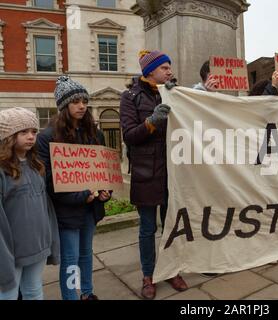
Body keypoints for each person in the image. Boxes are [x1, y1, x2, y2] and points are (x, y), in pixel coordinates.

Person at [120, 50, 188, 300]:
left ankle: (171, 270)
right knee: (148, 229)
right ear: (150, 71)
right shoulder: (130, 97)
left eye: (170, 67)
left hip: (172, 173)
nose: (170, 71)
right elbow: (129, 135)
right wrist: (152, 121)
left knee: (171, 226)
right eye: (165, 67)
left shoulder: (172, 92)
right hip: (146, 173)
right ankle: (148, 275)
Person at [37, 76, 111, 300]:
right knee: (70, 258)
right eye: (75, 101)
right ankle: (71, 296)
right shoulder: (47, 137)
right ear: (63, 105)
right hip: (67, 210)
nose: (82, 106)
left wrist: (106, 192)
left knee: (86, 254)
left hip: (91, 208)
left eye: (84, 101)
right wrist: (80, 197)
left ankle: (87, 294)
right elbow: (48, 180)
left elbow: (103, 169)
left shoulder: (95, 133)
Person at [0, 108, 59, 300]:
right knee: (8, 294)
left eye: (34, 131)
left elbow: (45, 208)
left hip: (38, 246)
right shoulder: (3, 170)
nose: (31, 136)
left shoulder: (36, 165)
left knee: (34, 291)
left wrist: (51, 240)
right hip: (12, 251)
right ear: (8, 136)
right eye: (23, 132)